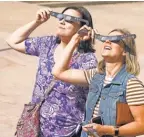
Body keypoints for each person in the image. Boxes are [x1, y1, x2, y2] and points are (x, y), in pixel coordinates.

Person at [6, 7, 98, 137]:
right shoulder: (48, 44)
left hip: (67, 131)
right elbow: (12, 41)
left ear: (83, 28)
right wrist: (37, 22)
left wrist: (75, 41)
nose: (62, 22)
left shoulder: (87, 59)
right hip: (37, 126)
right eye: (60, 17)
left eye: (69, 20)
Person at [52, 27, 144, 137]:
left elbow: (143, 126)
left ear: (125, 51)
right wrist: (76, 39)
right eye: (106, 39)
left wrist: (107, 130)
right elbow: (58, 72)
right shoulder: (95, 76)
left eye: (114, 40)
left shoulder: (131, 84)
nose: (108, 41)